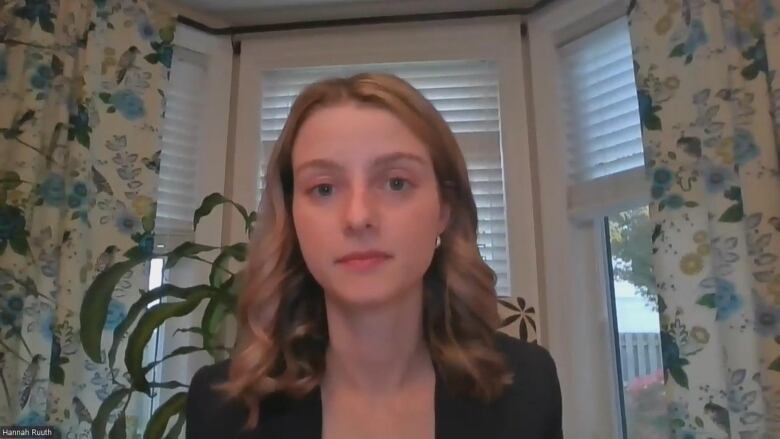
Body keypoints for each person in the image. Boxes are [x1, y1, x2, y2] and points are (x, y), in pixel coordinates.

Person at [185, 73, 563, 439]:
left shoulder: (529, 390)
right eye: (324, 188)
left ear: (444, 208)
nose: (358, 217)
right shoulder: (222, 409)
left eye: (396, 182)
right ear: (292, 218)